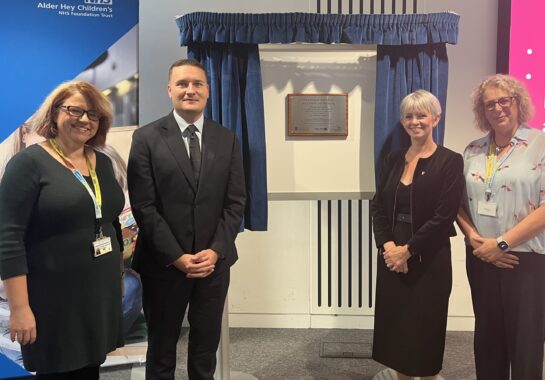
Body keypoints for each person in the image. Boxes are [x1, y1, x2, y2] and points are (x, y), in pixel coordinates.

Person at [127, 58, 246, 380]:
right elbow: (144, 206)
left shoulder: (227, 139)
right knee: (162, 348)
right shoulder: (146, 138)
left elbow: (235, 203)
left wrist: (217, 249)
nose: (190, 90)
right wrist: (177, 257)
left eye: (197, 84)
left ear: (208, 90)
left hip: (213, 264)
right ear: (169, 90)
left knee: (206, 348)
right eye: (182, 84)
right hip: (164, 265)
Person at [0, 81, 125, 379]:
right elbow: (8, 238)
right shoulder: (28, 164)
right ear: (54, 114)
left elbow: (110, 221)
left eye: (93, 114)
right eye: (75, 110)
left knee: (90, 368)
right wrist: (20, 308)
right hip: (53, 299)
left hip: (97, 293)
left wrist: (117, 276)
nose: (84, 119)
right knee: (58, 370)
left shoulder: (103, 163)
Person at [457, 74, 545, 380]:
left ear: (518, 103)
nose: (497, 108)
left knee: (525, 348)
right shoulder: (473, 150)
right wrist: (474, 239)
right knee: (487, 343)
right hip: (481, 258)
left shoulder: (541, 144)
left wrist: (502, 244)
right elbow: (458, 203)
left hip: (524, 260)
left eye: (504, 101)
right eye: (489, 104)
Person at [371, 90, 464, 380]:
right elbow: (378, 206)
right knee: (397, 326)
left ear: (435, 118)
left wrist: (406, 251)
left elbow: (443, 216)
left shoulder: (450, 161)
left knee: (425, 326)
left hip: (428, 255)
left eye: (421, 115)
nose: (415, 121)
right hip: (391, 255)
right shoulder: (392, 159)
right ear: (402, 121)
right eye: (409, 116)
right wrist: (389, 248)